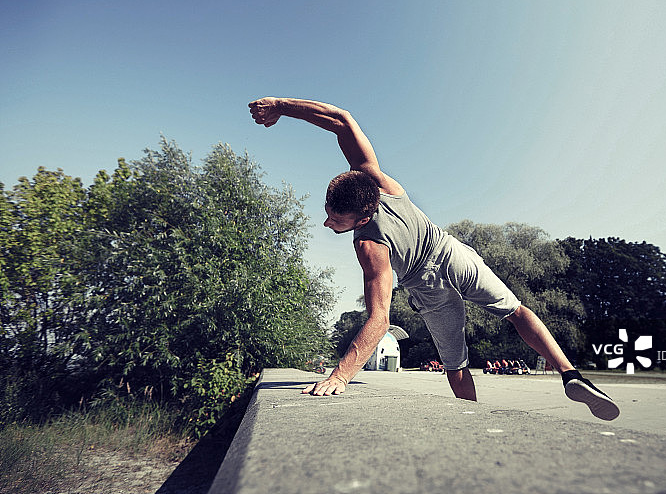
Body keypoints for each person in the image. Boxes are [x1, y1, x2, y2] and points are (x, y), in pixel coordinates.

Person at [248, 97, 620, 421]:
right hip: (451, 253)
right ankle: (571, 374)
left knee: (455, 366)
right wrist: (281, 106)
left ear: (361, 220)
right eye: (328, 212)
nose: (327, 222)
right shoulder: (376, 181)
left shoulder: (369, 246)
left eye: (336, 219)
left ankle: (474, 421)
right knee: (516, 311)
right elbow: (342, 120)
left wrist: (341, 375)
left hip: (427, 289)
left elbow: (380, 319)